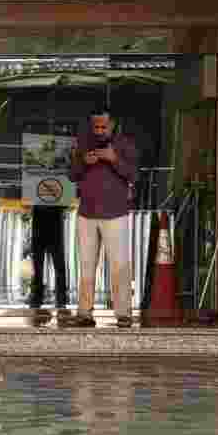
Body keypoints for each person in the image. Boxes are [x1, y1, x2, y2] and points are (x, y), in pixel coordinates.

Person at [68, 107, 138, 328]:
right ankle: (84, 313)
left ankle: (124, 313)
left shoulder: (125, 144)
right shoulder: (82, 143)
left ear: (113, 125)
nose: (99, 130)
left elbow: (135, 175)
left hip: (115, 214)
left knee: (119, 265)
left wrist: (114, 159)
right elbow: (71, 175)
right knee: (87, 264)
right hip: (86, 214)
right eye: (95, 126)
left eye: (103, 126)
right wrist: (83, 163)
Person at [28, 202, 69, 321]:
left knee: (42, 265)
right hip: (51, 221)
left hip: (45, 221)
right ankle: (57, 300)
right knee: (50, 265)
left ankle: (40, 299)